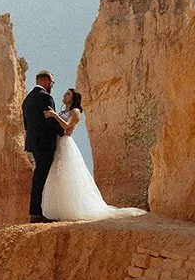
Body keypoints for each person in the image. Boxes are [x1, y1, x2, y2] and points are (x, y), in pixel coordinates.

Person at [41, 89, 147, 222]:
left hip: (65, 144)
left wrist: (54, 116)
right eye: (65, 92)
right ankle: (56, 211)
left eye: (68, 93)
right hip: (56, 144)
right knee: (55, 177)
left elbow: (66, 126)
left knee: (67, 176)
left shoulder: (75, 112)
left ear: (73, 98)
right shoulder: (62, 112)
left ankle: (71, 210)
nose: (64, 94)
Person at [21, 69, 63, 223]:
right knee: (40, 178)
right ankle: (36, 213)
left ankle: (38, 212)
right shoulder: (46, 97)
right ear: (45, 81)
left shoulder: (27, 100)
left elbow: (26, 124)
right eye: (51, 82)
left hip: (33, 143)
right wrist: (63, 132)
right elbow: (50, 121)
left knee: (39, 177)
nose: (52, 85)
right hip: (45, 143)